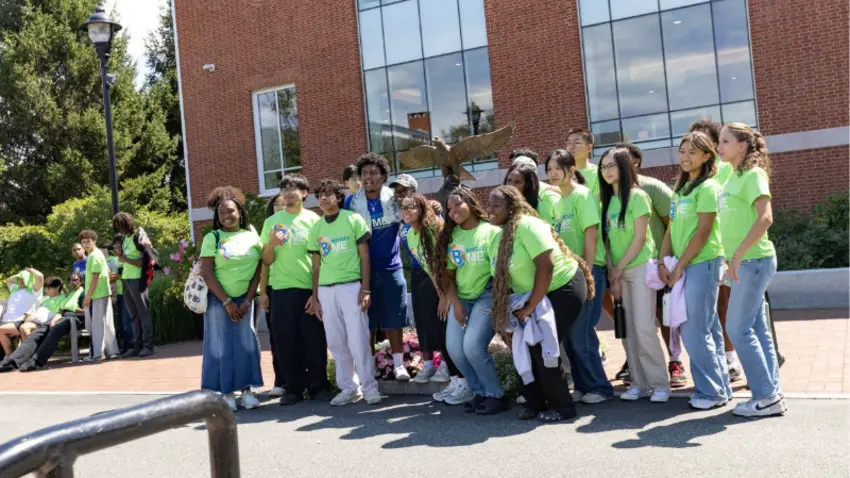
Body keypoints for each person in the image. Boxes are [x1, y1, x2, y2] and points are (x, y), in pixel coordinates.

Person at [488, 185, 596, 422]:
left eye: (496, 205)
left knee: (541, 344)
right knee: (524, 346)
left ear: (511, 206)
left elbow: (546, 267)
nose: (490, 210)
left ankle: (563, 408)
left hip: (562, 288)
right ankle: (536, 403)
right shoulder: (498, 235)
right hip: (532, 296)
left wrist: (529, 308)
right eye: (489, 205)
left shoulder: (528, 225)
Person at [659, 132, 732, 410]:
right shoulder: (681, 189)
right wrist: (663, 258)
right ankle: (719, 388)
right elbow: (671, 228)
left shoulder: (708, 188)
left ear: (707, 156)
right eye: (682, 151)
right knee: (707, 328)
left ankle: (711, 392)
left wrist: (678, 267)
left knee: (694, 329)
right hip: (684, 263)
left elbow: (702, 233)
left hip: (704, 261)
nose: (686, 157)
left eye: (693, 152)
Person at [717, 122, 784, 417]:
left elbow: (765, 218)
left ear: (742, 146)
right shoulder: (732, 176)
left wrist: (737, 256)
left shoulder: (753, 175)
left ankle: (766, 396)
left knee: (737, 328)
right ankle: (771, 393)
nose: (719, 146)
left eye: (725, 141)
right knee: (756, 328)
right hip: (742, 262)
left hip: (753, 262)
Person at [599, 149, 670, 402]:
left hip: (639, 268)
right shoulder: (607, 201)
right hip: (618, 273)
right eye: (604, 166)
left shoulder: (638, 196)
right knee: (626, 328)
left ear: (625, 167)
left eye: (612, 166)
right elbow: (606, 241)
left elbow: (640, 238)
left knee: (644, 327)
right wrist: (612, 272)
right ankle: (639, 383)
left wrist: (619, 268)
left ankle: (660, 383)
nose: (607, 171)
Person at [616, 142, 688, 388]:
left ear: (634, 163)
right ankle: (637, 366)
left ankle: (675, 361)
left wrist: (667, 259)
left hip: (658, 264)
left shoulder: (652, 188)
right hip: (632, 268)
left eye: (620, 160)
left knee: (666, 314)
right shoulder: (611, 195)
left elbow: (674, 223)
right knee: (637, 320)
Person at [546, 149, 613, 403]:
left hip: (588, 269)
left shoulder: (582, 195)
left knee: (582, 333)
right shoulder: (558, 201)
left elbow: (591, 234)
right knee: (573, 333)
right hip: (569, 274)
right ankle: (585, 385)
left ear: (571, 170)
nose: (552, 174)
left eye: (557, 168)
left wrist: (586, 270)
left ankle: (600, 387)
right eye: (549, 169)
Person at [307, 179, 382, 406]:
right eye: (320, 195)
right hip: (326, 291)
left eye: (328, 194)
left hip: (351, 286)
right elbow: (316, 266)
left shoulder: (353, 220)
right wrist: (315, 296)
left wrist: (365, 288)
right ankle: (349, 388)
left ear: (338, 197)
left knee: (359, 340)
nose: (323, 199)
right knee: (336, 341)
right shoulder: (316, 228)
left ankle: (370, 388)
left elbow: (365, 257)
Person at [261, 175, 332, 406]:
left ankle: (319, 386)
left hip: (309, 291)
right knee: (285, 341)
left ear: (304, 193)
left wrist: (316, 294)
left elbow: (322, 259)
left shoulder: (315, 220)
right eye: (284, 188)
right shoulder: (271, 222)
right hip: (280, 290)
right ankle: (293, 388)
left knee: (314, 340)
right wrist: (271, 244)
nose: (288, 192)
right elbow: (266, 260)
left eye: (294, 188)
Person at [434, 188, 506, 413]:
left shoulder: (491, 232)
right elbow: (448, 275)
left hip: (487, 295)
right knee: (455, 349)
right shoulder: (452, 236)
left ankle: (497, 395)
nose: (453, 211)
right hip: (462, 297)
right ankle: (480, 392)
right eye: (449, 208)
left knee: (473, 347)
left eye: (458, 205)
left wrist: (499, 303)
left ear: (471, 202)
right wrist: (455, 304)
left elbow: (499, 273)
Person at [199, 186, 264, 411]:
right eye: (221, 213)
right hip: (219, 300)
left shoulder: (252, 235)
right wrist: (227, 302)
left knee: (246, 343)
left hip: (245, 299)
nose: (227, 216)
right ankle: (226, 393)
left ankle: (246, 391)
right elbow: (207, 273)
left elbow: (258, 269)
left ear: (240, 211)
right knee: (221, 346)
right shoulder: (212, 238)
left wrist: (247, 299)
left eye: (230, 211)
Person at [689, 119, 744, 378]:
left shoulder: (724, 170)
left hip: (724, 249)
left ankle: (731, 358)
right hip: (704, 253)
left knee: (726, 307)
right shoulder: (692, 177)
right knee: (711, 311)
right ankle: (723, 359)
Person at [348, 153, 410, 381]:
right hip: (362, 272)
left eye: (374, 172)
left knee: (395, 319)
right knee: (367, 322)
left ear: (383, 176)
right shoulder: (351, 203)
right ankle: (369, 367)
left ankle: (398, 365)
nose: (368, 177)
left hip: (392, 268)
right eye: (364, 173)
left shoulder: (393, 199)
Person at [392, 175, 452, 384]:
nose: (401, 195)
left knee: (439, 319)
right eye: (398, 191)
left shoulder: (433, 218)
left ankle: (446, 364)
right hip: (418, 273)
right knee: (422, 319)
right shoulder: (403, 220)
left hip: (437, 275)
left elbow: (441, 258)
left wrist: (442, 290)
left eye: (405, 190)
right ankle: (428, 365)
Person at [399, 193, 459, 391]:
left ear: (422, 209)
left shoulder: (433, 228)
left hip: (451, 278)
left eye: (411, 207)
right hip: (437, 282)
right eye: (403, 207)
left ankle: (456, 378)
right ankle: (452, 379)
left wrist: (445, 296)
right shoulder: (409, 234)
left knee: (444, 326)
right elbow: (429, 268)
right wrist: (441, 294)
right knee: (433, 323)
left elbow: (442, 264)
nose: (406, 211)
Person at [0, 274, 84, 372]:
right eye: (70, 280)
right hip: (59, 318)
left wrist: (71, 310)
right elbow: (61, 311)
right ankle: (12, 361)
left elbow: (86, 310)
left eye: (75, 280)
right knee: (35, 335)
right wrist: (55, 319)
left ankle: (34, 361)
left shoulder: (82, 293)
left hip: (74, 318)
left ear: (81, 281)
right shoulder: (70, 294)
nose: (72, 282)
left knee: (54, 329)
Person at [113, 213, 155, 358]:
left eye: (122, 226)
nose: (120, 230)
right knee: (133, 315)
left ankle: (148, 346)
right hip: (125, 279)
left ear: (128, 224)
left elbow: (141, 262)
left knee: (143, 313)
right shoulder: (125, 239)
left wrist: (124, 258)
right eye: (118, 227)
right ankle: (137, 346)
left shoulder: (138, 237)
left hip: (137, 279)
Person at [259, 192, 287, 397]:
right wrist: (263, 291)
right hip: (273, 288)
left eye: (284, 203)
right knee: (277, 337)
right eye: (276, 203)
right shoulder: (268, 227)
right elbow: (264, 263)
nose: (280, 206)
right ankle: (281, 380)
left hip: (297, 286)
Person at [79, 231, 119, 361]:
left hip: (96, 295)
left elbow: (95, 278)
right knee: (107, 323)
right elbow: (107, 271)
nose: (86, 244)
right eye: (84, 242)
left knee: (95, 325)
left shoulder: (93, 256)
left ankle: (98, 354)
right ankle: (112, 352)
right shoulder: (99, 254)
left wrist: (87, 296)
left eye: (88, 241)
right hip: (104, 292)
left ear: (94, 241)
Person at [0, 269, 45, 356]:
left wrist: (30, 270)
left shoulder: (34, 290)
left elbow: (40, 276)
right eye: (19, 278)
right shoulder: (15, 289)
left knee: (0, 330)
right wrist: (20, 274)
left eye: (24, 278)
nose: (20, 280)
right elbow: (8, 280)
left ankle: (8, 356)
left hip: (20, 321)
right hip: (6, 320)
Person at [503, 162, 560, 228]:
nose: (511, 186)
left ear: (527, 184)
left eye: (517, 182)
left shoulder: (545, 199)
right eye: (509, 181)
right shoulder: (506, 206)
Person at [107, 236, 133, 353]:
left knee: (128, 321)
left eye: (118, 246)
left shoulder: (128, 257)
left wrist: (118, 276)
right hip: (119, 294)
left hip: (130, 292)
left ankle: (132, 346)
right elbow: (115, 276)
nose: (116, 249)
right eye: (115, 246)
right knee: (122, 322)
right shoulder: (115, 260)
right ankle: (126, 346)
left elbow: (130, 274)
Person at [566, 128, 599, 196]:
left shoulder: (598, 172)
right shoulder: (563, 172)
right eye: (569, 143)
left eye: (577, 143)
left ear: (589, 148)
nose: (571, 147)